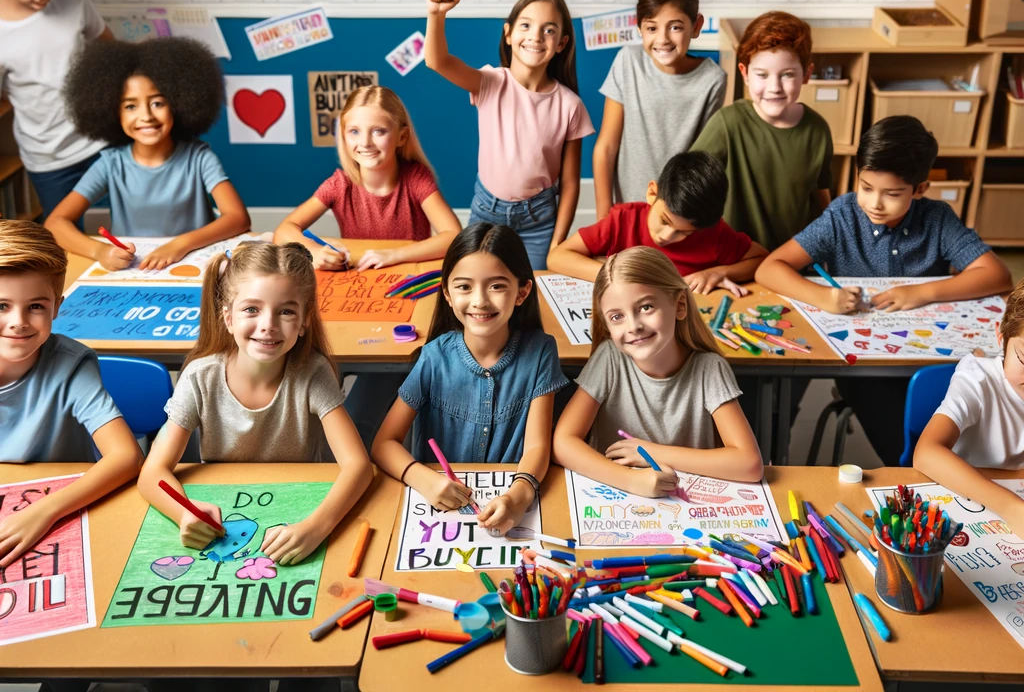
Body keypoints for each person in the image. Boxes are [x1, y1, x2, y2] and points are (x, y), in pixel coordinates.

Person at [757, 115, 1011, 464]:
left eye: (892, 194)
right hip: (864, 369)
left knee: (968, 415)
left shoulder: (936, 219)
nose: (875, 203)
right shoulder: (842, 215)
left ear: (919, 189)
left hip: (928, 360)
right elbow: (770, 268)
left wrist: (921, 292)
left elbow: (997, 275)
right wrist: (824, 298)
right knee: (905, 442)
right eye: (866, 187)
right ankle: (915, 470)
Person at [138, 241, 373, 564]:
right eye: (251, 309)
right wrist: (183, 514)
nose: (268, 325)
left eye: (286, 311)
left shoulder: (313, 373)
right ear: (228, 318)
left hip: (297, 511)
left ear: (304, 322)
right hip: (226, 522)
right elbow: (152, 472)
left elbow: (359, 467)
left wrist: (318, 527)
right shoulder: (199, 377)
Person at [372, 223, 568, 535]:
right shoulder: (434, 357)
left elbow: (536, 445)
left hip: (509, 501)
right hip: (438, 514)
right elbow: (384, 443)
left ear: (522, 292)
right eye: (464, 287)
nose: (479, 301)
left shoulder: (541, 352)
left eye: (496, 286)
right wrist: (423, 478)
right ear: (447, 294)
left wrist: (519, 495)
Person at [553, 246, 763, 495]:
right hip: (617, 501)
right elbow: (562, 443)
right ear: (606, 324)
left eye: (645, 307)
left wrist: (651, 452)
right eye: (617, 316)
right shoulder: (610, 358)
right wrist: (631, 480)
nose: (633, 326)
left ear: (680, 305)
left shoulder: (709, 369)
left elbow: (749, 464)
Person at [0, 220, 142, 567]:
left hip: (59, 510)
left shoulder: (71, 364)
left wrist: (44, 512)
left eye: (36, 306)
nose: (19, 321)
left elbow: (127, 457)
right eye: (1, 306)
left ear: (57, 307)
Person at [425, 0, 593, 270]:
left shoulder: (570, 105)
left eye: (549, 29)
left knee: (536, 292)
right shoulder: (490, 83)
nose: (536, 36)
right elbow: (437, 61)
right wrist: (436, 14)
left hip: (540, 221)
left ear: (561, 43)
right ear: (509, 34)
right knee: (475, 278)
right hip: (485, 211)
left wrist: (557, 242)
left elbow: (569, 183)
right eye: (526, 26)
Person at [45, 37, 249, 271]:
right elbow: (55, 223)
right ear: (113, 112)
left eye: (157, 103)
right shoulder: (110, 164)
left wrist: (180, 244)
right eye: (131, 106)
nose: (146, 116)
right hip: (133, 269)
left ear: (179, 104)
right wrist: (100, 250)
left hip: (193, 261)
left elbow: (238, 217)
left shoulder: (199, 158)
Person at [275, 85, 460, 272]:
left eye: (378, 131)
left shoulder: (416, 179)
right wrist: (312, 251)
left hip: (407, 277)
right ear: (343, 136)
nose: (365, 143)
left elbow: (453, 235)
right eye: (354, 131)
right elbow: (284, 231)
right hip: (361, 282)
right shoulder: (339, 184)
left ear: (401, 137)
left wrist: (393, 255)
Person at [0, 0, 112, 219]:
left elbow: (110, 51)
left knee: (143, 225)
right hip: (49, 159)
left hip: (104, 142)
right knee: (64, 241)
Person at [693, 11, 831, 252]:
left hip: (793, 261)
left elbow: (822, 198)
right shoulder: (728, 123)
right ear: (745, 74)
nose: (774, 87)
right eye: (762, 75)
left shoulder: (818, 130)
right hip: (737, 261)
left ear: (807, 74)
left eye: (787, 74)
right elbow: (688, 184)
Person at [592, 0, 725, 217]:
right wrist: (603, 214)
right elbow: (606, 147)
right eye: (652, 28)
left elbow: (703, 158)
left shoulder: (712, 79)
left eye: (675, 27)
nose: (663, 39)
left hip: (679, 211)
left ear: (696, 26)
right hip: (627, 209)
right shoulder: (628, 61)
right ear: (639, 27)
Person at [548, 150, 766, 292]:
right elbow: (557, 258)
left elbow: (761, 260)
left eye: (684, 233)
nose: (666, 236)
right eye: (664, 220)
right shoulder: (623, 221)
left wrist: (718, 273)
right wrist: (621, 276)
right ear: (652, 193)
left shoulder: (713, 233)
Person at [914, 277, 1024, 539]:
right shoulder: (977, 378)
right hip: (965, 504)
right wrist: (1012, 508)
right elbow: (926, 454)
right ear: (1002, 339)